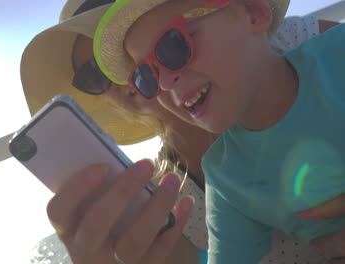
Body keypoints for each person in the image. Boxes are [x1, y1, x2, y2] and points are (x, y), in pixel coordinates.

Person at [21, 0, 344, 263]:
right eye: (94, 74)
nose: (121, 76)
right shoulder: (162, 204)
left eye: (170, 44)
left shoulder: (294, 41)